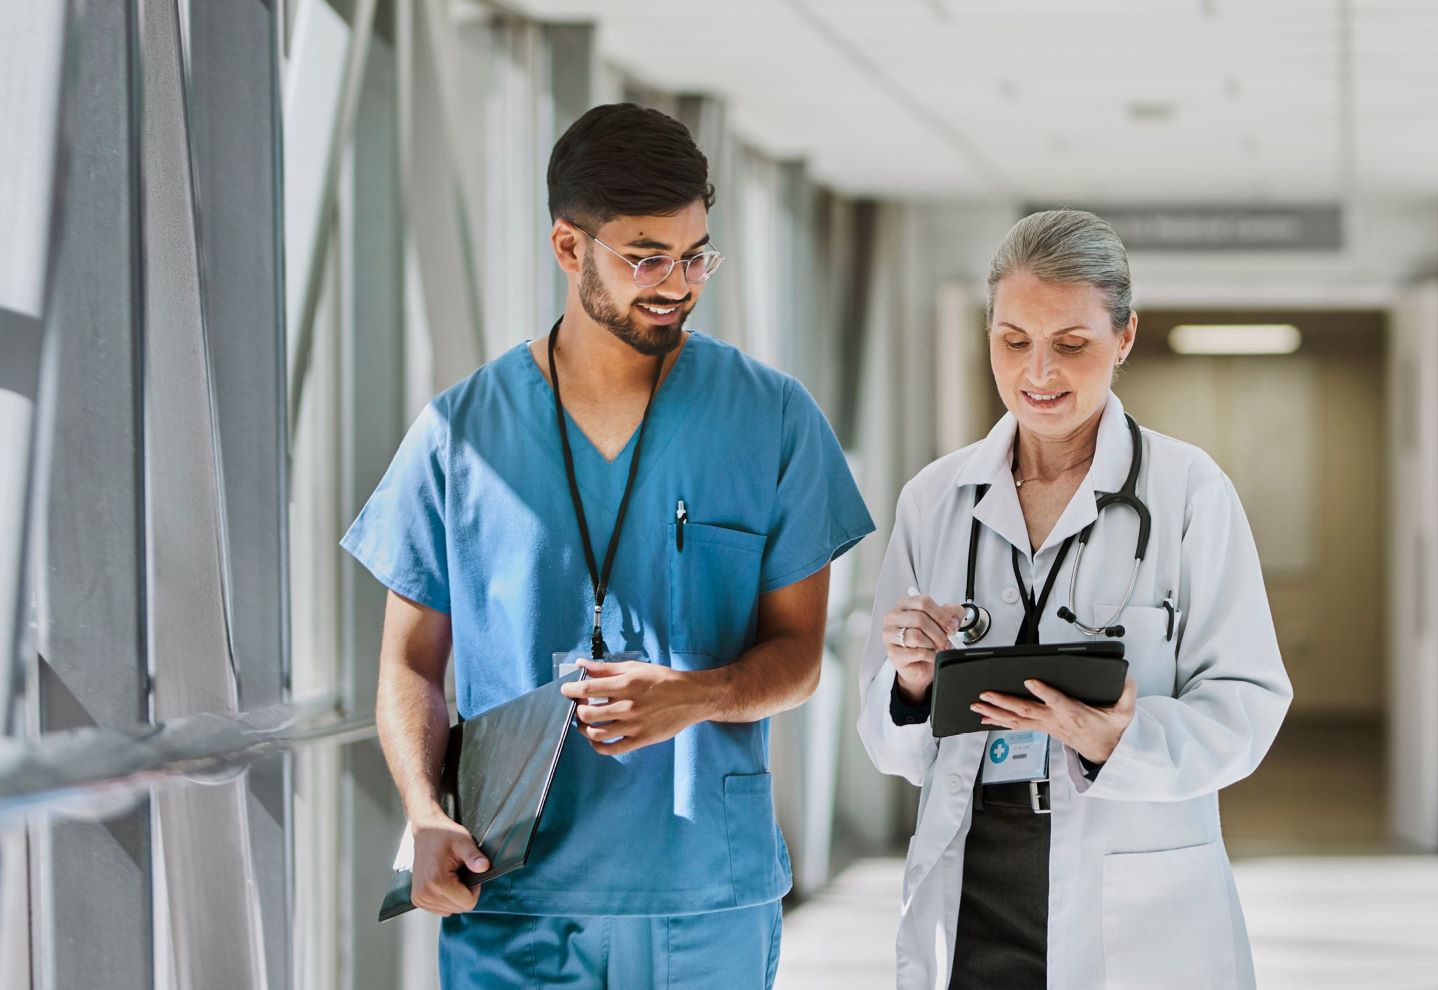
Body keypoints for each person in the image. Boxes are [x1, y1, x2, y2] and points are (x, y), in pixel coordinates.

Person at [343, 102, 874, 988]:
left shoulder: (773, 417)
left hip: (705, 901)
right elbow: (410, 665)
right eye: (645, 257)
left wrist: (697, 695)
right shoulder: (458, 433)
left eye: (697, 253)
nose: (678, 282)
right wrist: (422, 809)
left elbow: (800, 656)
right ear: (567, 248)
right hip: (511, 904)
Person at [857, 210, 1292, 989]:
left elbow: (1249, 707)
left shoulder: (1190, 493)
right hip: (975, 879)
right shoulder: (935, 499)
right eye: (1014, 340)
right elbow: (892, 748)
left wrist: (1117, 736)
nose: (1039, 372)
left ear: (1123, 338)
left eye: (1071, 343)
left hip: (1131, 889)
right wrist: (912, 682)